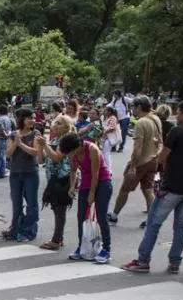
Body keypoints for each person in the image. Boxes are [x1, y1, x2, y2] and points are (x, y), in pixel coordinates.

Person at [122, 100, 183, 274]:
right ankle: (175, 262)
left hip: (172, 185)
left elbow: (162, 158)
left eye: (178, 112)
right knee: (181, 226)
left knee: (153, 223)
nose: (176, 116)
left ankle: (143, 260)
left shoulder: (178, 131)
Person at [60, 133, 113, 263]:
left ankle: (106, 249)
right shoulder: (72, 153)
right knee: (81, 216)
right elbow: (73, 171)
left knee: (101, 217)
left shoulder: (92, 149)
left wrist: (92, 193)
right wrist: (72, 186)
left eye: (72, 152)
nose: (71, 155)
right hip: (86, 181)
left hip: (102, 181)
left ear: (78, 145)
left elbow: (96, 173)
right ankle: (82, 246)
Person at [109, 95, 161, 227]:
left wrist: (132, 166)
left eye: (133, 106)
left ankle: (114, 216)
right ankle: (151, 218)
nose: (132, 109)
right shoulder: (155, 119)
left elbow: (138, 148)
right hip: (153, 159)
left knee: (125, 189)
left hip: (141, 162)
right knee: (148, 189)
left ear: (139, 107)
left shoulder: (141, 123)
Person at [36, 114, 76, 250]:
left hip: (62, 178)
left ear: (66, 127)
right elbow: (41, 160)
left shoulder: (66, 140)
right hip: (53, 178)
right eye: (55, 122)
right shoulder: (54, 140)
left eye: (59, 123)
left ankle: (56, 240)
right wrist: (40, 147)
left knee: (59, 210)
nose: (55, 125)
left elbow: (58, 158)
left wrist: (45, 145)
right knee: (56, 208)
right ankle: (59, 237)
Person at [3, 107, 41, 242]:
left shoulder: (35, 133)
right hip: (15, 173)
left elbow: (36, 152)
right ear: (22, 119)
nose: (32, 120)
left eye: (33, 118)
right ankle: (16, 228)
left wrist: (21, 145)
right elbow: (8, 154)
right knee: (16, 202)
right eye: (30, 118)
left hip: (30, 172)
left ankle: (28, 231)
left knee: (31, 203)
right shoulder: (13, 134)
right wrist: (15, 143)